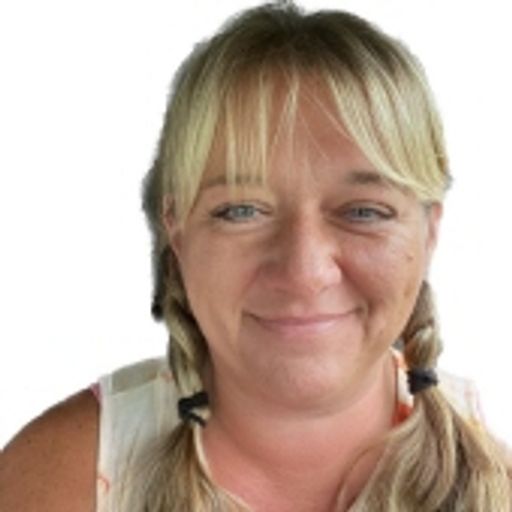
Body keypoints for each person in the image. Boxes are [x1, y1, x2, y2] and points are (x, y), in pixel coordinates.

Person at [1, 2, 511, 511]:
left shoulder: (497, 485)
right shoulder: (56, 481)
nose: (304, 272)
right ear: (175, 230)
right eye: (241, 211)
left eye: (364, 211)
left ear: (429, 231)